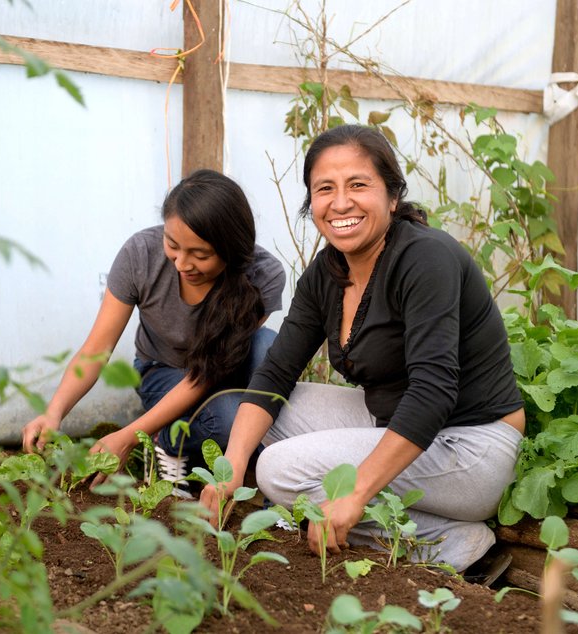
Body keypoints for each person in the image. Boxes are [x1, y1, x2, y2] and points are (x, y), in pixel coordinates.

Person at [199, 125, 525, 572]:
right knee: (261, 414)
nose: (340, 202)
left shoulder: (426, 258)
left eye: (358, 185)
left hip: (471, 448)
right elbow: (276, 373)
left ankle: (454, 543)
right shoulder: (328, 271)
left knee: (277, 470)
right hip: (397, 424)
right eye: (324, 189)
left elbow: (433, 393)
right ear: (311, 202)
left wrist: (355, 492)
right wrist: (230, 469)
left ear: (392, 197)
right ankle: (411, 522)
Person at [23, 169, 285, 497]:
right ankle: (169, 439)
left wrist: (128, 436)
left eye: (200, 255)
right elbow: (97, 348)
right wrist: (54, 411)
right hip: (164, 374)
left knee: (267, 347)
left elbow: (211, 370)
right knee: (233, 417)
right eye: (172, 244)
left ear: (230, 251)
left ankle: (217, 450)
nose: (181, 263)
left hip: (221, 373)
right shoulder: (141, 255)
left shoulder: (263, 274)